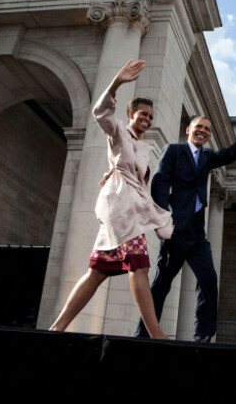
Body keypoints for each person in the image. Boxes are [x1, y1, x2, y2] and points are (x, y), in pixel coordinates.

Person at [49, 59, 173, 338]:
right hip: (120, 206)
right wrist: (117, 83)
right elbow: (99, 112)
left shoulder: (143, 147)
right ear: (130, 113)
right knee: (139, 266)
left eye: (151, 117)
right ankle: (156, 334)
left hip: (132, 209)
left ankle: (57, 328)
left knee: (99, 271)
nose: (147, 119)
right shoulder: (118, 131)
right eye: (143, 113)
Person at [135, 97, 236, 342]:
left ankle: (203, 336)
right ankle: (143, 334)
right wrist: (162, 219)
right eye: (199, 127)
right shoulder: (174, 150)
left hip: (197, 233)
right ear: (188, 130)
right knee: (162, 283)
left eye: (207, 129)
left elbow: (230, 154)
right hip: (175, 229)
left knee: (209, 279)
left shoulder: (207, 157)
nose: (203, 131)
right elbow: (160, 182)